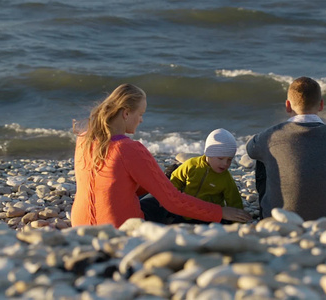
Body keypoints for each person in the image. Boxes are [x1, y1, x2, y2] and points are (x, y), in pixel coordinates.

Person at [71, 83, 252, 228]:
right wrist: (220, 212)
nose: (141, 119)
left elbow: (114, 182)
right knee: (168, 194)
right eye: (140, 114)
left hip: (79, 225)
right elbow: (173, 201)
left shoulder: (83, 139)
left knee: (157, 187)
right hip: (122, 229)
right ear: (126, 113)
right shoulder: (129, 149)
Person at [246, 77, 326, 221]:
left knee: (263, 155)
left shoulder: (272, 135)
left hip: (277, 219)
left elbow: (251, 149)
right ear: (321, 105)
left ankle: (275, 205)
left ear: (288, 105)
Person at [165, 128, 244, 224]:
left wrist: (239, 222)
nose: (225, 163)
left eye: (229, 160)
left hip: (209, 217)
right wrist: (169, 198)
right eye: (221, 158)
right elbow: (176, 178)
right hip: (185, 212)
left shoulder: (225, 178)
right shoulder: (192, 165)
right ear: (209, 153)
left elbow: (235, 201)